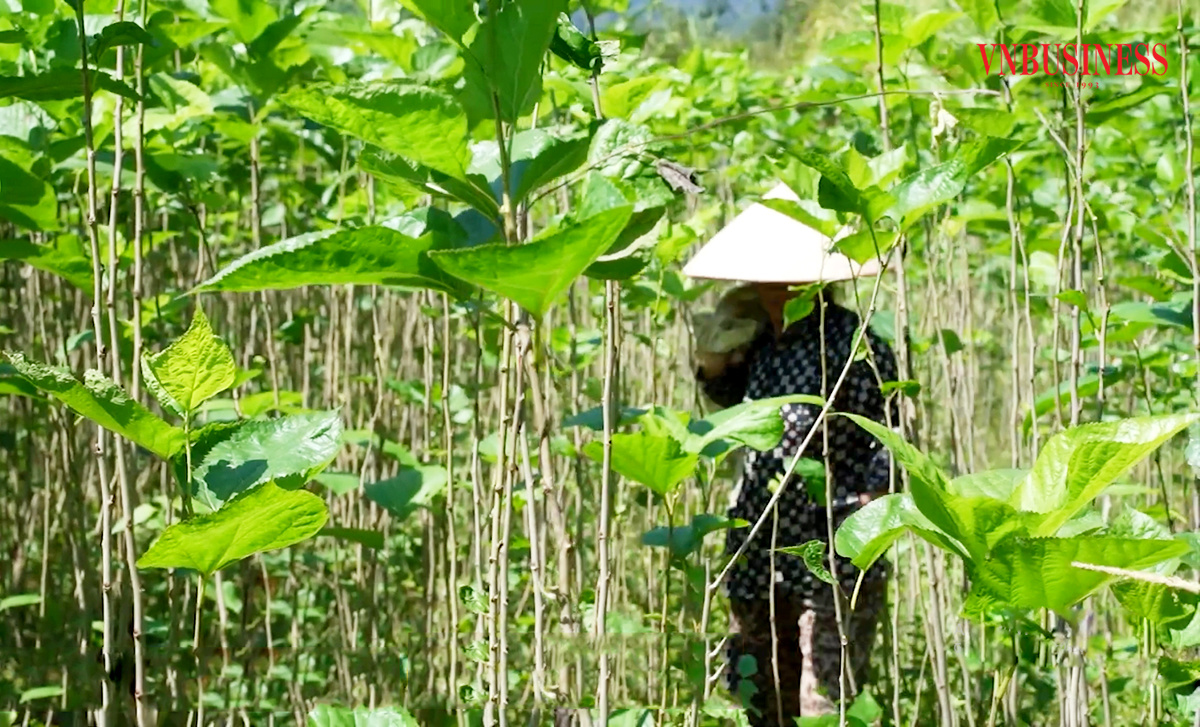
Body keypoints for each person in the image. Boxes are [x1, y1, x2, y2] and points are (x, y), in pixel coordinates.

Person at [683, 182, 898, 725]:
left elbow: (891, 443)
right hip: (758, 547)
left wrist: (865, 532)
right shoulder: (758, 343)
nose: (768, 286)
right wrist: (712, 360)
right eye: (761, 276)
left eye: (779, 275)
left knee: (824, 700)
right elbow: (729, 410)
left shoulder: (856, 344)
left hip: (833, 548)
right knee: (757, 695)